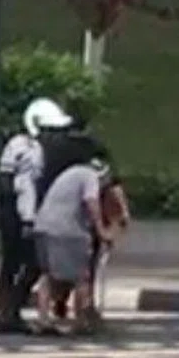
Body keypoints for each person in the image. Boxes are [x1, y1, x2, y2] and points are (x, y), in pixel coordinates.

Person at [0, 98, 73, 334]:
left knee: (15, 263)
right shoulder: (28, 149)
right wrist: (27, 219)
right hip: (18, 212)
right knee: (31, 262)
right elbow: (23, 186)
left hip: (12, 209)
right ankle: (10, 312)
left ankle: (8, 312)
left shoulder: (20, 145)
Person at [40, 117, 129, 320]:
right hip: (77, 220)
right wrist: (112, 222)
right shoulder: (94, 152)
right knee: (83, 271)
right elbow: (108, 188)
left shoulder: (52, 148)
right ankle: (84, 314)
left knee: (51, 271)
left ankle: (53, 310)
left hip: (47, 216)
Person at [33, 158, 116, 335]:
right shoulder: (90, 177)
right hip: (67, 230)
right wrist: (101, 230)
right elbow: (91, 202)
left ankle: (43, 319)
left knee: (48, 276)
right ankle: (81, 321)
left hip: (43, 226)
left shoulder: (71, 173)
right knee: (82, 277)